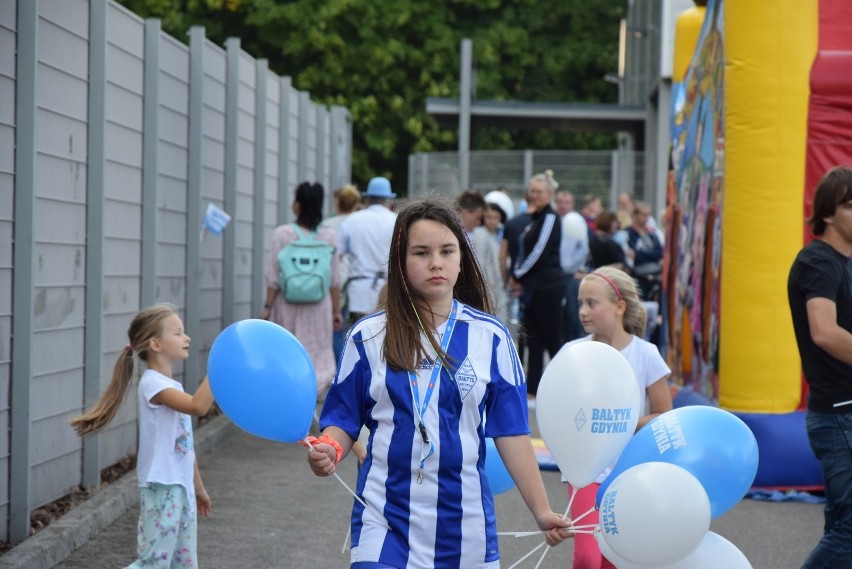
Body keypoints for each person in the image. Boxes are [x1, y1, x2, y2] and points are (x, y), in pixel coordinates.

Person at [305, 196, 573, 569]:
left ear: (462, 259)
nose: (436, 262)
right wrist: (330, 448)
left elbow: (511, 431)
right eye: (421, 252)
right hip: (384, 522)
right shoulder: (367, 336)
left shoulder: (491, 338)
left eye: (447, 251)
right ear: (401, 262)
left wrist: (542, 510)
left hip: (466, 530)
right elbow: (344, 417)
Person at [70, 303, 215, 569]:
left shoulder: (172, 386)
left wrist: (199, 489)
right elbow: (199, 406)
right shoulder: (153, 385)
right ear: (156, 344)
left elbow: (184, 446)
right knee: (154, 563)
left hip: (180, 489)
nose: (187, 338)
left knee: (183, 564)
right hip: (162, 488)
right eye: (178, 332)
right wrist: (219, 368)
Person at [558, 267, 672, 569]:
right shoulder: (572, 353)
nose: (582, 311)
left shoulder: (646, 354)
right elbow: (557, 408)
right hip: (586, 472)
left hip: (630, 472)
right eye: (580, 303)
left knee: (614, 558)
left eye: (591, 303)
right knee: (586, 557)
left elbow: (665, 416)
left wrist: (621, 423)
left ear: (619, 307)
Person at [787, 166, 852, 569]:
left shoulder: (843, 261)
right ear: (828, 213)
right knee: (848, 531)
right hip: (839, 416)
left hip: (843, 413)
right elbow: (824, 332)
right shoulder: (819, 261)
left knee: (841, 526)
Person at [263, 181, 342, 399]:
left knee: (288, 349)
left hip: (287, 305)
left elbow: (273, 277)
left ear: (297, 204)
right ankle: (312, 394)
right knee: (317, 352)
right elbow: (335, 280)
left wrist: (268, 306)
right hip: (319, 307)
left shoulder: (282, 234)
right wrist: (336, 311)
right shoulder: (329, 236)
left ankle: (289, 393)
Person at [510, 171, 567, 400]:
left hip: (548, 287)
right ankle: (533, 389)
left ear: (549, 194)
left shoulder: (550, 217)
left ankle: (568, 386)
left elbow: (539, 252)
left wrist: (517, 274)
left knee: (553, 338)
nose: (534, 195)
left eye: (539, 191)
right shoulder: (535, 218)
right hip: (534, 287)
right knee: (534, 339)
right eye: (531, 191)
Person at [338, 176, 397, 326]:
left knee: (359, 339)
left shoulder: (352, 220)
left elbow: (336, 258)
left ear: (367, 198)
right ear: (388, 200)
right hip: (390, 291)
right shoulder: (397, 220)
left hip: (359, 292)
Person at [321, 184, 363, 361]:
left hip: (332, 282)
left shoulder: (326, 225)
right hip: (356, 282)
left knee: (336, 330)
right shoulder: (360, 222)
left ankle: (338, 369)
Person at [626, 201, 664, 301]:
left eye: (648, 215)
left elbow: (659, 253)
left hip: (656, 274)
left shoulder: (652, 233)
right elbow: (635, 257)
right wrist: (647, 255)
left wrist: (641, 254)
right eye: (643, 215)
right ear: (635, 215)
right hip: (639, 275)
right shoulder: (629, 233)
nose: (646, 218)